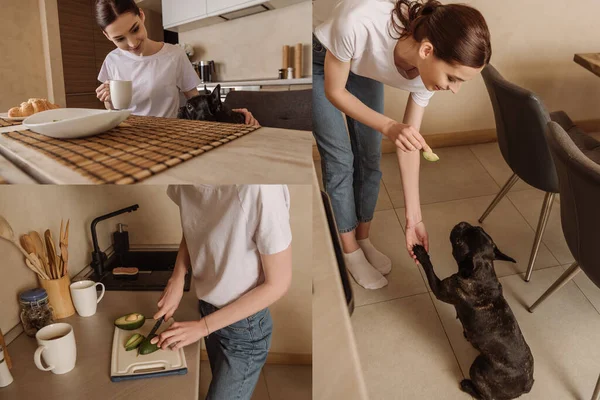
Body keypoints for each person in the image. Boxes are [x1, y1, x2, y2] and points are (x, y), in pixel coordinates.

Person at [313, 0, 491, 289]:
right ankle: (349, 251)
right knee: (340, 159)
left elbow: (408, 142)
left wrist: (413, 220)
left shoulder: (428, 72)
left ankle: (362, 238)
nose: (454, 89)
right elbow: (334, 91)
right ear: (426, 50)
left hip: (359, 64)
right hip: (321, 61)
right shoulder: (358, 22)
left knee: (370, 157)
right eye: (453, 78)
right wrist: (389, 126)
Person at [151, 185, 292, 400]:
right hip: (208, 311)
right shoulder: (185, 177)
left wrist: (202, 327)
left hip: (245, 330)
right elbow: (196, 227)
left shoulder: (261, 188)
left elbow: (279, 283)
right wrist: (178, 277)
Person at [93, 0, 258, 125]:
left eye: (135, 29)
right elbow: (113, 110)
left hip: (171, 137)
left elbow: (197, 103)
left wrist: (228, 115)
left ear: (141, 16)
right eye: (120, 39)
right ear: (107, 36)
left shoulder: (174, 55)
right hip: (129, 138)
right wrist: (107, 99)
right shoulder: (112, 60)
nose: (132, 43)